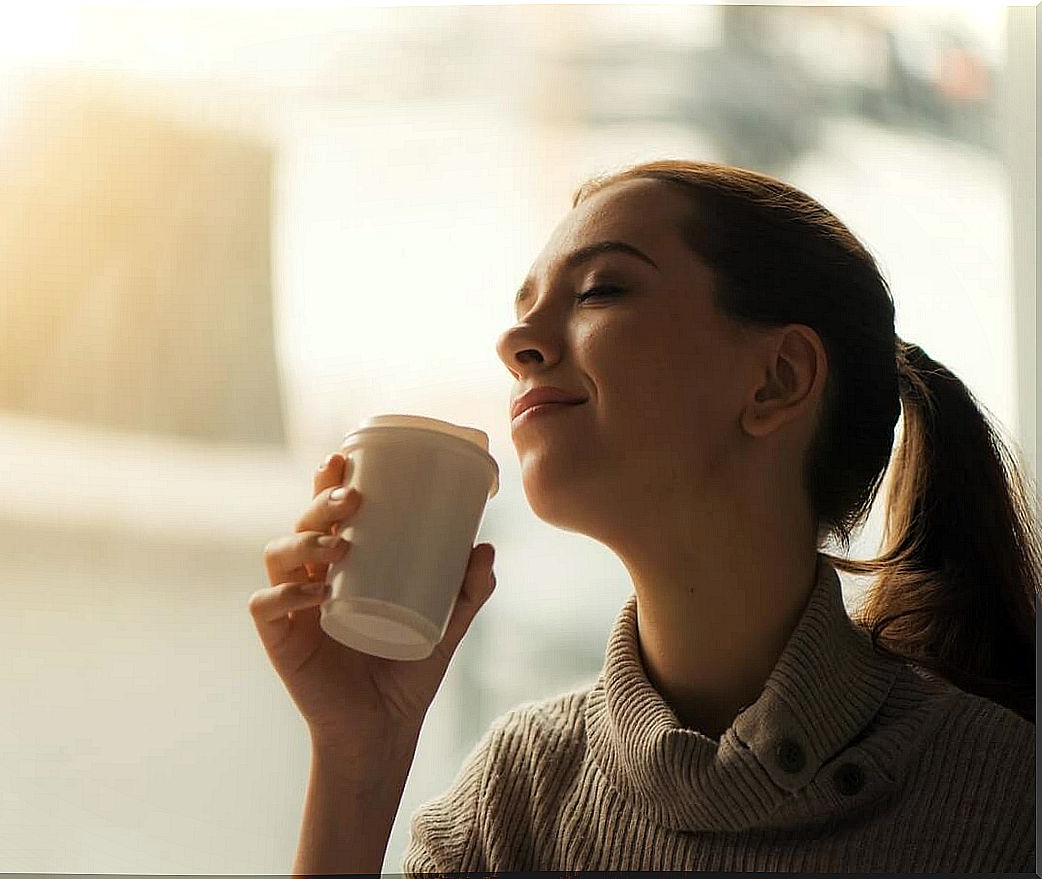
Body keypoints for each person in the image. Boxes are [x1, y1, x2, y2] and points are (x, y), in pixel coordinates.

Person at [250, 160, 1038, 875]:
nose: (514, 341)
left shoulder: (1010, 803)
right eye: (525, 306)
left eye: (599, 290)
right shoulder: (513, 800)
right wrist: (359, 756)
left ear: (779, 378)